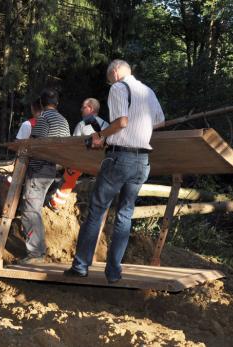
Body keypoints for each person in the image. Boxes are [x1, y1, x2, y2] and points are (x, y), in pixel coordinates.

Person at [64, 59, 165, 283]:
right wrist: (140, 128)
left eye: (109, 79)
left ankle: (81, 266)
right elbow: (160, 121)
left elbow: (122, 121)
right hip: (142, 162)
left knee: (97, 211)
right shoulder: (148, 91)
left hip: (120, 157)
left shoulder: (120, 88)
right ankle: (113, 272)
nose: (110, 83)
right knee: (125, 215)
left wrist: (101, 136)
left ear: (116, 73)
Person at [18, 88, 70, 264]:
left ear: (41, 103)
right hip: (53, 171)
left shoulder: (43, 119)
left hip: (39, 170)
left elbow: (35, 144)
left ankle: (36, 253)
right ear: (57, 103)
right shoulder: (64, 121)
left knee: (30, 211)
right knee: (35, 209)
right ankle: (37, 252)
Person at [49, 98, 109, 209]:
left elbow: (73, 146)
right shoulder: (107, 125)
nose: (81, 109)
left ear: (90, 108)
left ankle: (56, 204)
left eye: (83, 107)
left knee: (70, 172)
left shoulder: (83, 124)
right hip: (101, 165)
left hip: (82, 163)